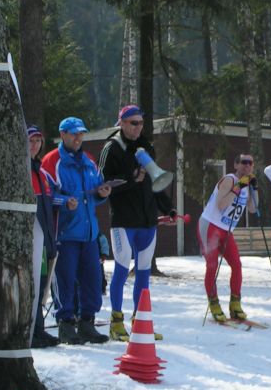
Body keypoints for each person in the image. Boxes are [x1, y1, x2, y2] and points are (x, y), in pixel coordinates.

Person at [98, 105, 173, 342]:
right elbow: (105, 185)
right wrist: (132, 180)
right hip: (123, 221)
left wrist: (167, 208)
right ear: (121, 123)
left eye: (140, 123)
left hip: (147, 220)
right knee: (121, 269)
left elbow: (155, 179)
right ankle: (116, 322)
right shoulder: (111, 148)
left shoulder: (146, 146)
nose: (138, 127)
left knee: (143, 273)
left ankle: (140, 322)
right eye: (133, 123)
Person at [41, 117, 112, 345]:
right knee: (65, 280)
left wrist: (102, 193)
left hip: (89, 233)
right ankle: (65, 324)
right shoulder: (52, 162)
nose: (78, 137)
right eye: (73, 133)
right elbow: (45, 196)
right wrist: (63, 201)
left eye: (81, 133)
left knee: (92, 279)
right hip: (64, 234)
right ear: (62, 134)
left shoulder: (90, 161)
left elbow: (93, 196)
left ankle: (87, 322)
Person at [198, 153, 258, 322]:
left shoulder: (246, 185)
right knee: (212, 265)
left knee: (237, 265)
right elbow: (221, 204)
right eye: (244, 163)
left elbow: (253, 209)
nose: (247, 166)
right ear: (236, 165)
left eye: (250, 163)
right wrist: (239, 186)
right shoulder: (229, 180)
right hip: (210, 225)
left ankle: (235, 304)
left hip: (226, 230)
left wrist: (254, 188)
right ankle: (214, 304)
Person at [28, 125, 59, 348]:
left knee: (41, 285)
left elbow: (50, 202)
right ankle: (31, 331)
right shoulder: (22, 170)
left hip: (46, 237)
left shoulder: (41, 172)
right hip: (31, 238)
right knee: (32, 285)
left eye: (38, 141)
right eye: (31, 140)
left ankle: (39, 328)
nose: (35, 145)